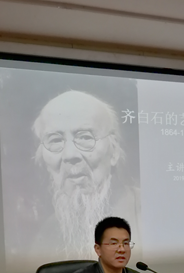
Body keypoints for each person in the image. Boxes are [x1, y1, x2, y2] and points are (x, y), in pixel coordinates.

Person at [31, 90, 141, 261]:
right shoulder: (46, 234)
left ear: (114, 151)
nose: (70, 155)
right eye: (55, 140)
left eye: (85, 137)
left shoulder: (148, 212)